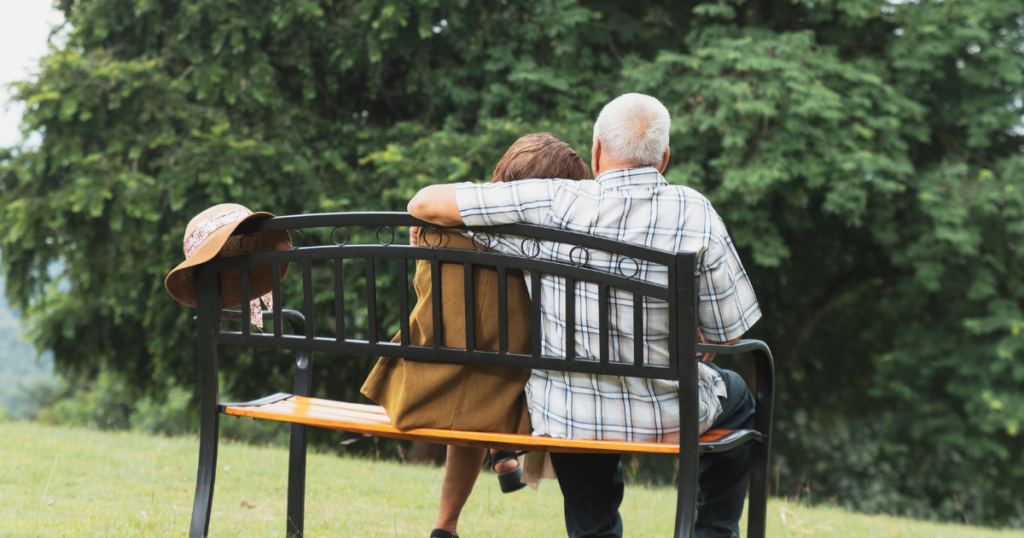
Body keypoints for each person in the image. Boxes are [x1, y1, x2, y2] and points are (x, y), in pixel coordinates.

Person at [407, 93, 762, 538]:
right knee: (741, 396)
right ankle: (711, 531)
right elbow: (726, 337)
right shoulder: (697, 212)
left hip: (569, 416)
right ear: (664, 158)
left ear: (595, 151)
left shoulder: (552, 202)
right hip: (670, 414)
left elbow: (425, 202)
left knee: (581, 412)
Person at [360, 133, 590, 538]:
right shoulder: (552, 247)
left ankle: (445, 526)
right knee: (492, 368)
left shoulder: (437, 228)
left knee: (470, 363)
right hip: (504, 397)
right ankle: (501, 452)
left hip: (420, 389)